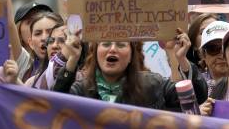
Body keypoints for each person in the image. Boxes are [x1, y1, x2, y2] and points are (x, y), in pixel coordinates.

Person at [54, 29, 207, 110]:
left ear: (130, 56)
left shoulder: (153, 84)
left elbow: (197, 97)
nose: (112, 49)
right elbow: (55, 107)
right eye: (106, 44)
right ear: (95, 53)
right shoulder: (81, 89)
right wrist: (72, 59)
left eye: (121, 45)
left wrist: (181, 59)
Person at [197, 21, 229, 89]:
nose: (222, 56)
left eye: (226, 48)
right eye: (213, 49)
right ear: (204, 55)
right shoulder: (196, 87)